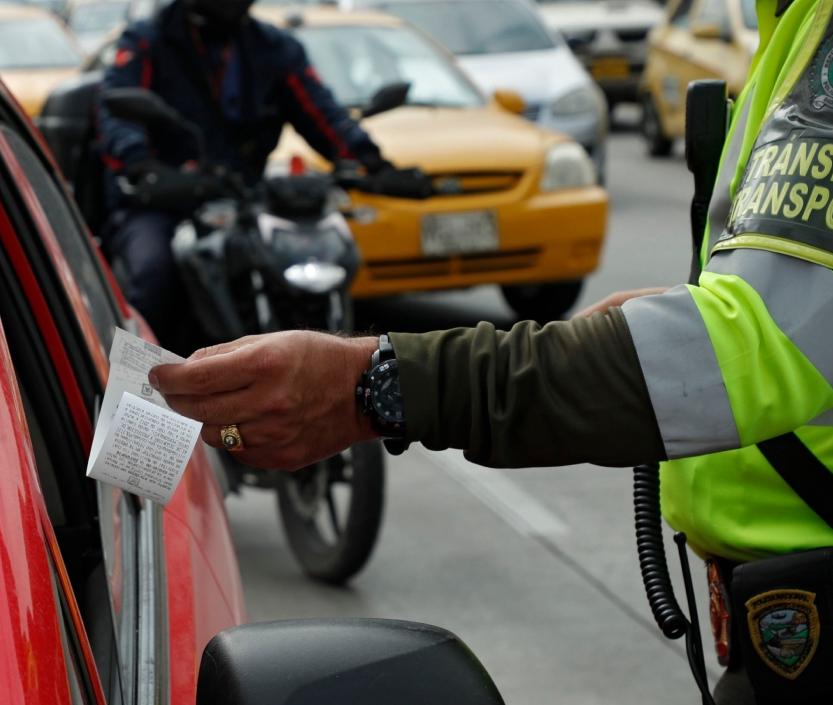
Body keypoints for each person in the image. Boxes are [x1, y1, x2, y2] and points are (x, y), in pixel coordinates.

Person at [150, 1, 833, 703]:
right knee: (149, 264)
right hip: (772, 626)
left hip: (805, 629)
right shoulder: (796, 22)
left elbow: (749, 347)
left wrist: (372, 383)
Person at [98, 0, 414, 350]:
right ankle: (136, 382)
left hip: (240, 199)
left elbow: (322, 112)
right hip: (160, 199)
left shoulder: (273, 46)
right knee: (154, 273)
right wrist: (142, 166)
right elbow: (117, 113)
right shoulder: (147, 40)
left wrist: (375, 165)